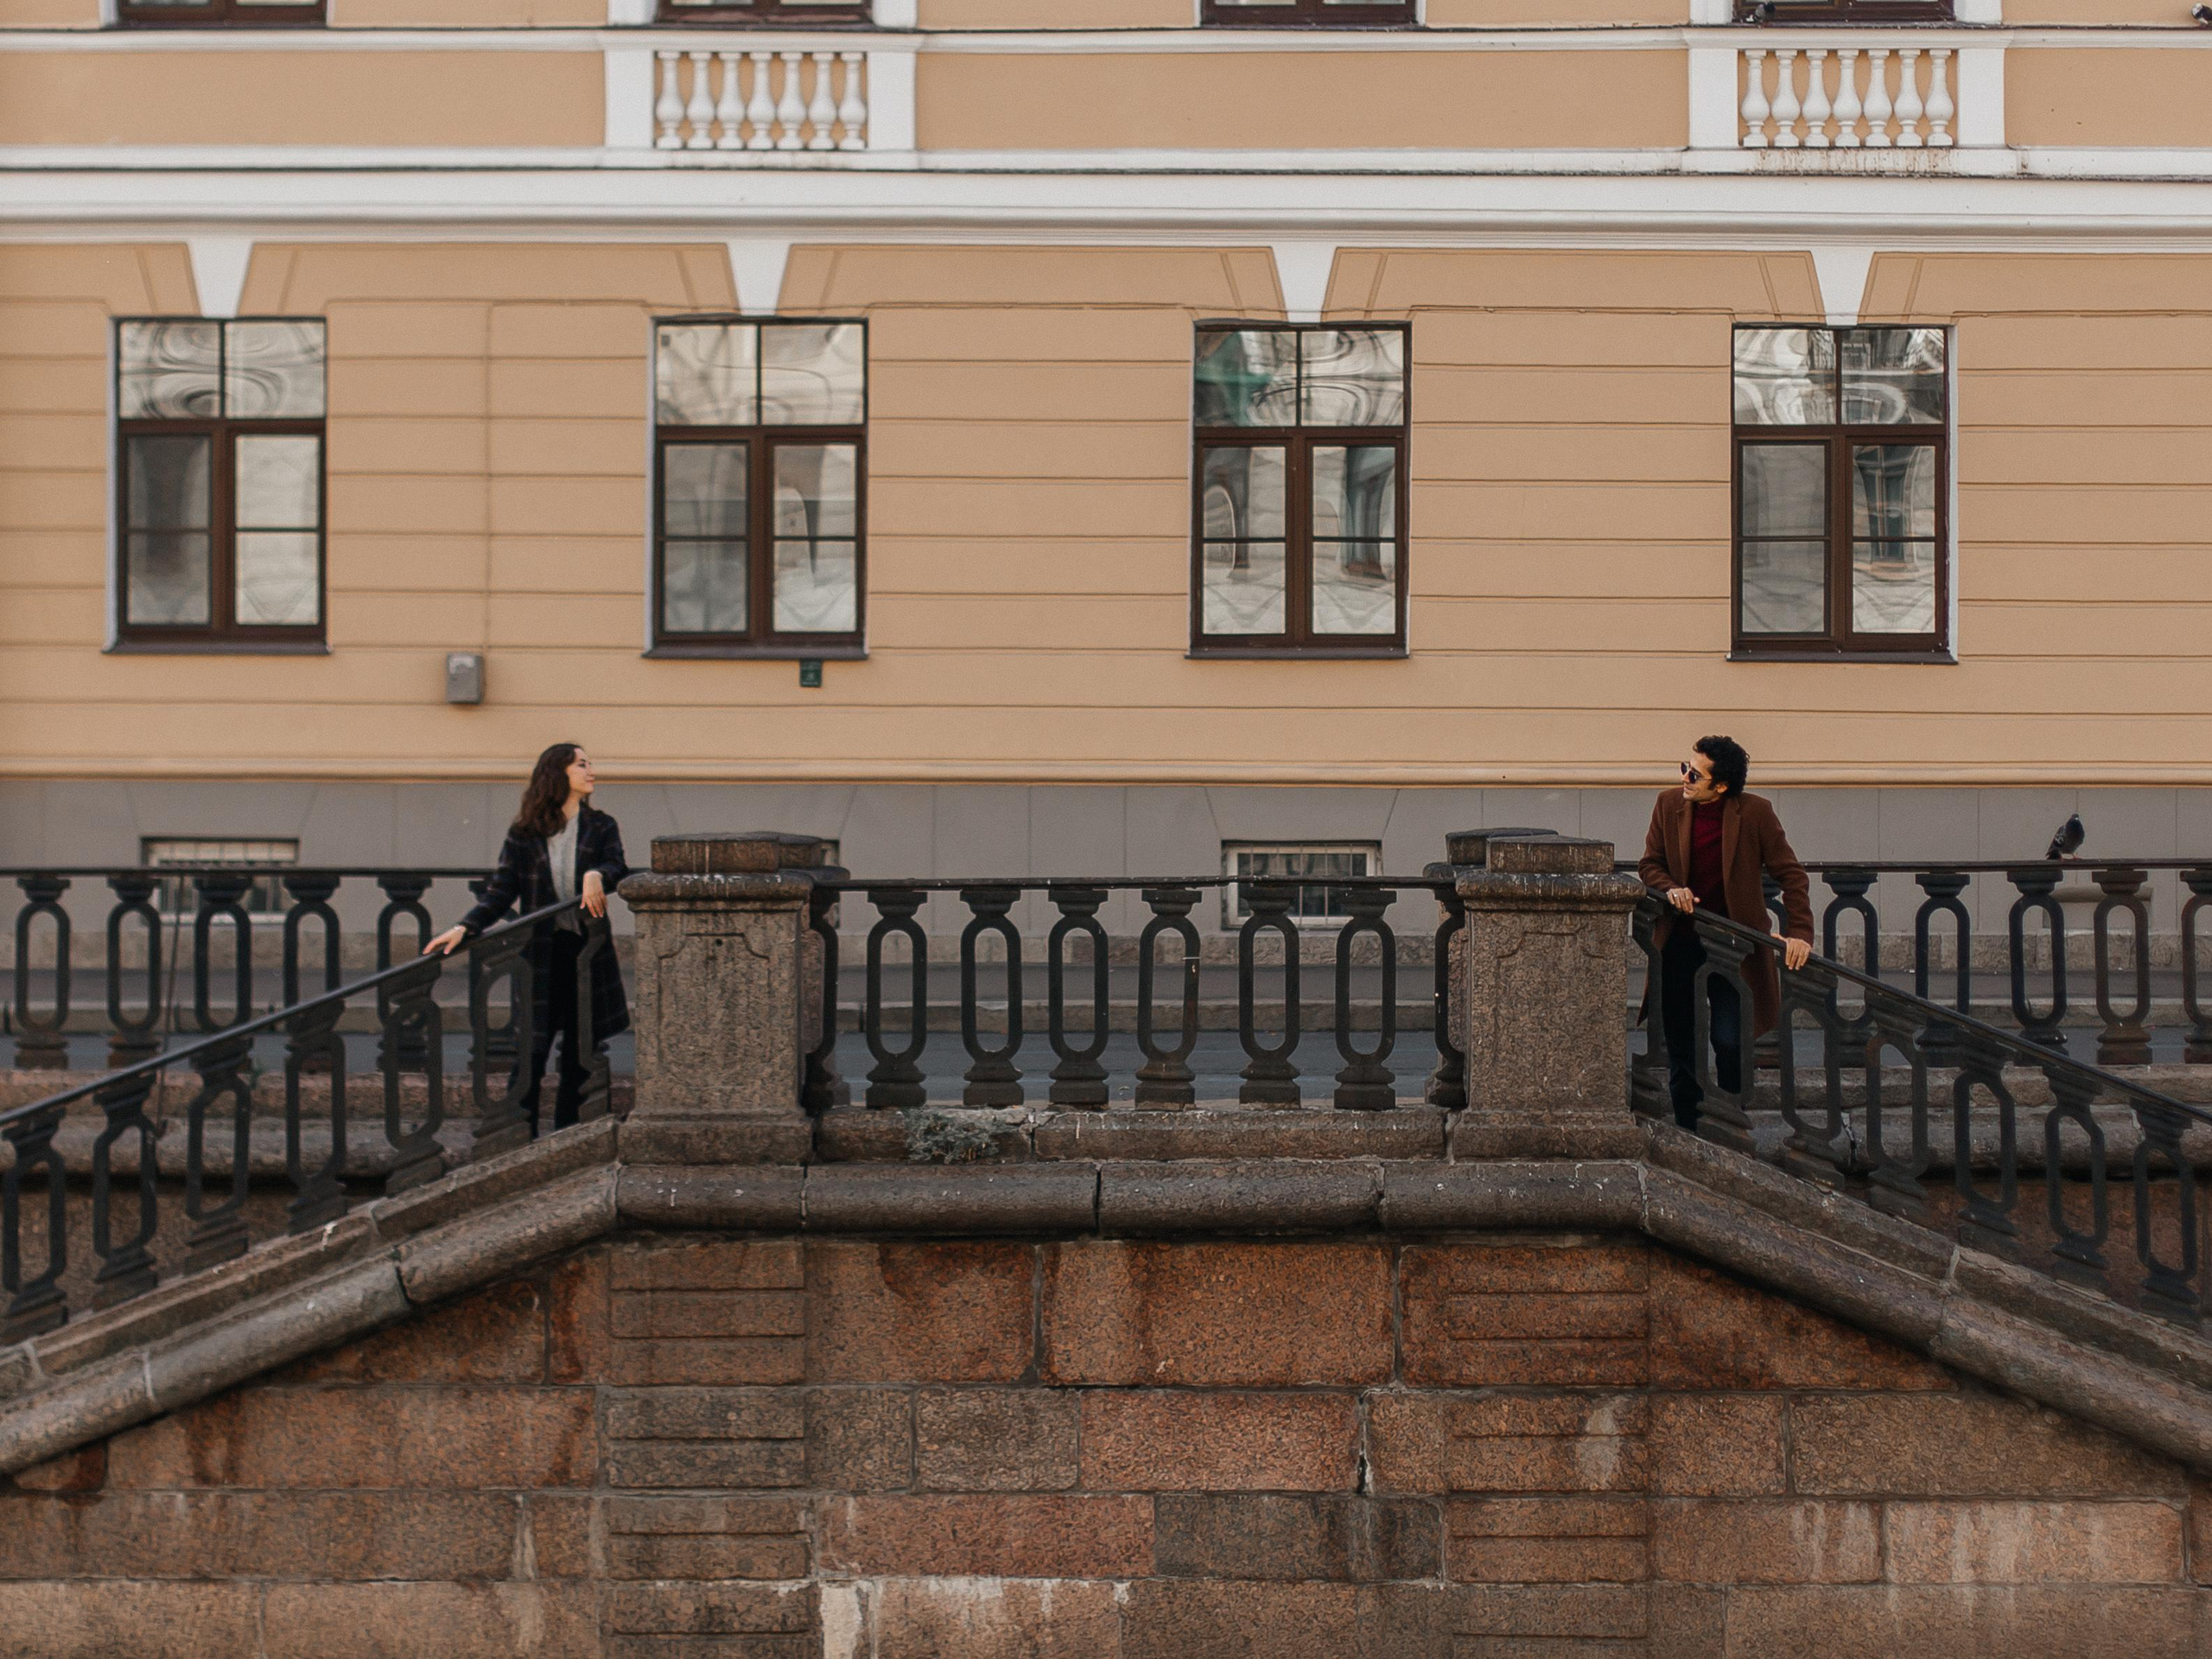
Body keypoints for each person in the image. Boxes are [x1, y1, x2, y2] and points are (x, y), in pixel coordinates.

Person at [425, 742, 629, 1135]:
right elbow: (502, 891)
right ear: (559, 774)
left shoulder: (602, 825)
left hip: (586, 953)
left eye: (590, 764)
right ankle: (522, 1134)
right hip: (542, 954)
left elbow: (616, 865)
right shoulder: (525, 833)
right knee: (532, 1050)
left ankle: (570, 1135)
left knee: (579, 1053)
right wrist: (465, 927)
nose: (591, 771)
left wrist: (596, 875)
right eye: (581, 764)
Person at [1637, 735, 1814, 1131]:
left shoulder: (1755, 813)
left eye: (1695, 774)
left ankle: (1731, 1123)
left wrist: (1799, 932)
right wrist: (1670, 888)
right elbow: (1650, 864)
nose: (1685, 777)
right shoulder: (1668, 804)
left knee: (1730, 1040)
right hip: (1680, 942)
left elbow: (1792, 875)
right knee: (1681, 1044)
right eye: (1685, 766)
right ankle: (1687, 1129)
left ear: (1721, 786)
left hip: (1734, 947)